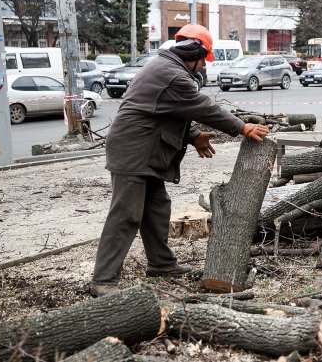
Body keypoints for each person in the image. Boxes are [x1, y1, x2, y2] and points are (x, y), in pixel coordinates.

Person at [89, 24, 269, 297]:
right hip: (133, 151)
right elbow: (202, 106)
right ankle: (103, 279)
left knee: (156, 208)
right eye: (203, 61)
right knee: (126, 214)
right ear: (196, 53)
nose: (203, 67)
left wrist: (194, 135)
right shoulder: (172, 74)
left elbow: (170, 110)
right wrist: (241, 127)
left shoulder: (165, 68)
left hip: (143, 150)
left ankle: (161, 263)